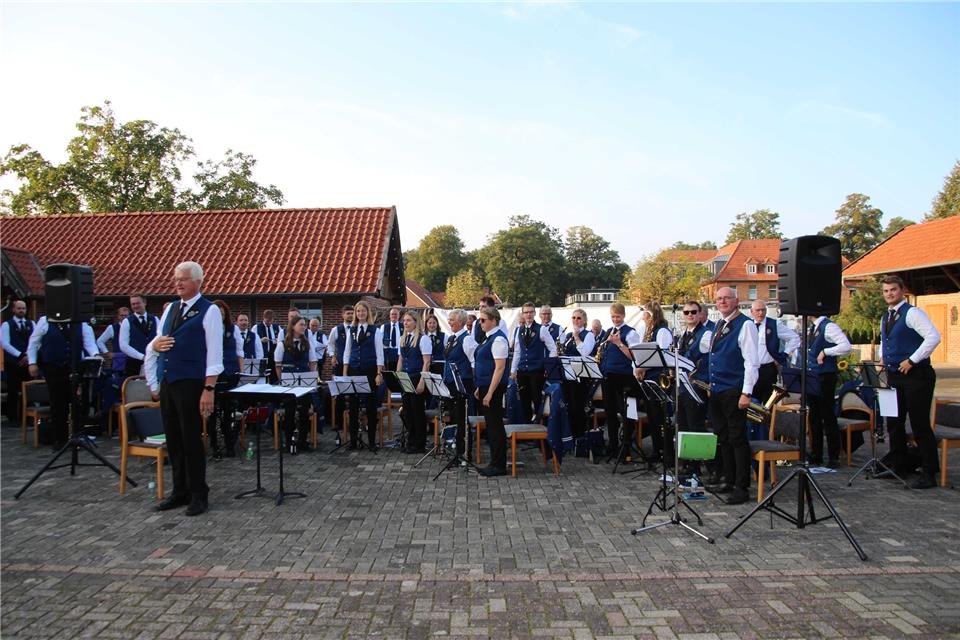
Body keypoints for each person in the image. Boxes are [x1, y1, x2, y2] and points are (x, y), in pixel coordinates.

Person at [149, 261, 224, 516]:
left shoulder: (209, 310)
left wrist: (209, 389)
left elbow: (215, 354)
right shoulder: (170, 308)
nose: (178, 283)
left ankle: (198, 493)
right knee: (174, 439)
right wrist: (155, 346)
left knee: (191, 439)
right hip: (169, 381)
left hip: (192, 383)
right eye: (175, 278)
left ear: (198, 281)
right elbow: (157, 340)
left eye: (183, 279)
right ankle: (178, 491)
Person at [878, 275, 941, 488]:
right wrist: (882, 358)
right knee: (894, 423)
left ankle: (929, 472)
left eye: (893, 290)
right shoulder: (885, 316)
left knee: (919, 424)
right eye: (886, 291)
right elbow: (885, 341)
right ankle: (898, 465)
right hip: (894, 375)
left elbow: (933, 337)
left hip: (916, 376)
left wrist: (912, 360)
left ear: (902, 291)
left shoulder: (912, 313)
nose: (889, 294)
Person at [705, 287, 760, 505]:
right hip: (718, 389)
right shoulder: (720, 323)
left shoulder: (745, 325)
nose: (722, 301)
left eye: (727, 298)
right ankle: (729, 479)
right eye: (719, 299)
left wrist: (746, 392)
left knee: (737, 438)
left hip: (734, 390)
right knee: (723, 437)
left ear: (736, 300)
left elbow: (751, 361)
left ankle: (741, 487)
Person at [26, 314, 99, 448]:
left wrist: (95, 355)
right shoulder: (45, 320)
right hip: (53, 367)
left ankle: (77, 436)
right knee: (58, 403)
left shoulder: (79, 321)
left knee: (77, 403)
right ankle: (60, 439)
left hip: (73, 366)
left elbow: (89, 342)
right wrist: (32, 362)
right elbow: (33, 343)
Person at [805, 313, 851, 467]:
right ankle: (816, 454)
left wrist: (826, 352)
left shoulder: (828, 326)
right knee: (814, 417)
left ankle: (834, 456)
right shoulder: (813, 327)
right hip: (813, 375)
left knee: (827, 416)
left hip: (825, 376)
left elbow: (846, 346)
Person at [598, 303, 643, 460]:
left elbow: (635, 356)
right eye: (613, 317)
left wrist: (619, 344)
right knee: (610, 412)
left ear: (623, 316)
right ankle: (612, 445)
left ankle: (626, 447)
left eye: (617, 316)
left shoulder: (630, 333)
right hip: (608, 376)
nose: (615, 319)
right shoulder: (609, 332)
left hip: (624, 377)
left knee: (626, 414)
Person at [635, 302, 675, 462]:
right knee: (652, 416)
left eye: (645, 313)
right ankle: (656, 449)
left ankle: (666, 452)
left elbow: (662, 356)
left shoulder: (662, 331)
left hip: (658, 377)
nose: (643, 316)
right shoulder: (649, 330)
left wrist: (643, 368)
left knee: (661, 417)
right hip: (649, 377)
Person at [675, 301, 711, 476]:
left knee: (695, 427)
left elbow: (695, 357)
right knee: (683, 426)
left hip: (696, 386)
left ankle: (697, 467)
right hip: (682, 386)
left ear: (700, 314)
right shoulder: (683, 335)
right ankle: (686, 463)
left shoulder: (706, 334)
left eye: (693, 312)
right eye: (686, 312)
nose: (690, 315)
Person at [342, 300, 384, 451]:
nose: (360, 314)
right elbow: (347, 352)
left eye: (363, 311)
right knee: (353, 407)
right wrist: (345, 372)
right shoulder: (351, 330)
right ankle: (353, 441)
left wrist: (379, 373)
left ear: (368, 313)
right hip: (354, 369)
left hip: (370, 370)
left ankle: (372, 442)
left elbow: (380, 354)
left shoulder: (375, 330)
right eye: (358, 311)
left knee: (371, 407)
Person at [474, 307, 509, 477]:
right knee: (491, 426)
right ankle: (494, 462)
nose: (480, 323)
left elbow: (500, 368)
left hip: (493, 387)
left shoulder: (498, 340)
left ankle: (499, 465)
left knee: (495, 426)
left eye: (483, 320)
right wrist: (479, 388)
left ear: (493, 320)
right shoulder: (488, 338)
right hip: (485, 385)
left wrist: (489, 393)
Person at [275, 315, 318, 453]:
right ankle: (288, 442)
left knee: (304, 413)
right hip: (289, 384)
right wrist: (282, 381)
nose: (304, 327)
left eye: (304, 325)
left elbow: (312, 362)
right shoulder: (282, 344)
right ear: (293, 326)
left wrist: (311, 378)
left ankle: (303, 441)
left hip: (304, 383)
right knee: (289, 413)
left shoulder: (307, 343)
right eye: (301, 324)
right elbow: (278, 365)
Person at [510, 301, 558, 422]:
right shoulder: (519, 330)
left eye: (531, 312)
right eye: (526, 312)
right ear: (522, 314)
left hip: (537, 370)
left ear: (535, 313)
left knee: (537, 399)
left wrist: (548, 367)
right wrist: (513, 370)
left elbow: (552, 349)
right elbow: (517, 352)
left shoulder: (541, 329)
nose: (528, 315)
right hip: (522, 370)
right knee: (524, 400)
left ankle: (538, 427)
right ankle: (527, 426)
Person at [750, 300, 800, 410]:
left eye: (763, 310)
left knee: (768, 404)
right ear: (751, 312)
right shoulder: (747, 325)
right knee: (752, 403)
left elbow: (795, 338)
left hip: (767, 369)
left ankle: (768, 427)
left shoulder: (774, 324)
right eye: (757, 310)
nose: (760, 313)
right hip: (751, 369)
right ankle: (754, 427)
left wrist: (784, 354)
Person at [211, 300, 244, 458]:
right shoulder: (207, 329)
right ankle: (215, 445)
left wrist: (241, 372)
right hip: (213, 375)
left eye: (222, 313)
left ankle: (230, 444)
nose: (220, 316)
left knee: (229, 411)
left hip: (230, 373)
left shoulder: (233, 329)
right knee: (212, 413)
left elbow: (239, 352)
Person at [396, 310, 432, 453]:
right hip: (405, 377)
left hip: (417, 377)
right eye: (404, 320)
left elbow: (427, 362)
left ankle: (419, 444)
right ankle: (410, 442)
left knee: (417, 412)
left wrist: (422, 382)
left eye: (409, 320)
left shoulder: (423, 339)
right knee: (407, 412)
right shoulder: (403, 339)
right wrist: (397, 376)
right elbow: (400, 359)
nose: (405, 323)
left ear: (416, 322)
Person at [442, 309, 476, 459]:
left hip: (462, 384)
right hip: (450, 384)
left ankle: (464, 452)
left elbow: (474, 362)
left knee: (462, 418)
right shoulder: (451, 338)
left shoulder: (467, 339)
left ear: (461, 322)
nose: (449, 322)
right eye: (449, 320)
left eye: (452, 320)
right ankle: (456, 448)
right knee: (454, 417)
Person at [559, 308, 595, 438]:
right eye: (573, 317)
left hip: (581, 376)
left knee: (577, 407)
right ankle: (569, 435)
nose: (575, 320)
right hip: (568, 376)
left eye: (579, 318)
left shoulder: (588, 335)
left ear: (584, 321)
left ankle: (579, 436)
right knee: (568, 406)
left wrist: (577, 338)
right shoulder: (568, 336)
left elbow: (585, 352)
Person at [2, 300, 34, 424]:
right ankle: (13, 418)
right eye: (19, 308)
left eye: (24, 308)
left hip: (28, 362)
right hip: (13, 363)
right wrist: (20, 355)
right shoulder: (6, 325)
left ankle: (28, 417)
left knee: (29, 390)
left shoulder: (31, 324)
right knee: (13, 390)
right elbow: (5, 343)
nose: (22, 310)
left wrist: (28, 356)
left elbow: (35, 341)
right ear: (13, 310)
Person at [119, 294, 160, 377]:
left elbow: (159, 338)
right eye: (133, 304)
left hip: (153, 360)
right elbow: (123, 345)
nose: (135, 306)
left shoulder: (155, 319)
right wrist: (141, 357)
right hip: (134, 364)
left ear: (145, 303)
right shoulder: (127, 321)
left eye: (137, 303)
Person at [328, 305, 355, 430]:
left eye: (351, 313)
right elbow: (331, 345)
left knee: (354, 393)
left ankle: (354, 422)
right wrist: (332, 356)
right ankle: (340, 422)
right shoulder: (336, 329)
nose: (350, 315)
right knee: (340, 394)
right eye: (348, 313)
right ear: (343, 315)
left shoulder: (357, 328)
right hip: (339, 365)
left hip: (354, 365)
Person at [255, 309, 281, 383]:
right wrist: (260, 340)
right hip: (263, 356)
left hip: (273, 356)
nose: (269, 322)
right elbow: (253, 341)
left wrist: (277, 340)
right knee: (262, 377)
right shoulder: (256, 327)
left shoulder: (277, 327)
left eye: (271, 320)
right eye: (267, 320)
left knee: (274, 376)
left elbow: (282, 340)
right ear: (263, 318)